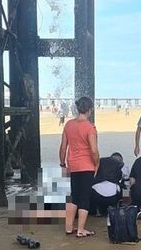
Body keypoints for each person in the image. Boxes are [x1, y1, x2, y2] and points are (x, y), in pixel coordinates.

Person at [59, 96, 99, 237]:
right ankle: (81, 230)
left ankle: (69, 227)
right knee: (84, 197)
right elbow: (93, 150)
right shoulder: (90, 127)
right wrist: (97, 163)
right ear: (90, 110)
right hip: (87, 165)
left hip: (73, 165)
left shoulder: (69, 125)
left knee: (74, 196)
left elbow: (63, 147)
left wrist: (62, 163)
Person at [90, 152, 127, 217]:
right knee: (121, 188)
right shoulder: (119, 165)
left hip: (97, 196)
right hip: (113, 197)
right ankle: (116, 209)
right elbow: (120, 178)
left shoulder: (100, 162)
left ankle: (97, 211)